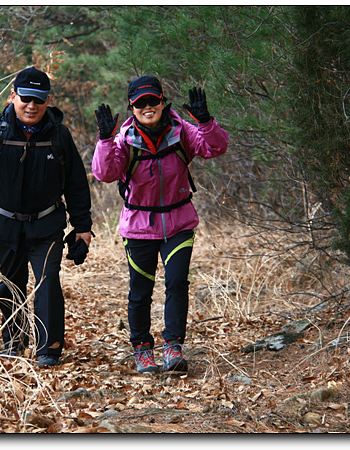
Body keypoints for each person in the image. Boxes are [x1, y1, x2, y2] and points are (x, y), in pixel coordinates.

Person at [0, 67, 93, 367]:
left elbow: (76, 184)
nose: (31, 106)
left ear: (48, 101)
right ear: (13, 97)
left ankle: (48, 349)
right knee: (11, 283)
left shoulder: (59, 136)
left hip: (46, 223)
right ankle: (14, 341)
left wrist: (82, 228)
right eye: (25, 98)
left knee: (47, 282)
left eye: (38, 100)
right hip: (5, 224)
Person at [92, 75, 228, 374]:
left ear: (163, 101)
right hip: (139, 226)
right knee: (141, 290)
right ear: (132, 107)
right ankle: (142, 349)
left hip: (178, 222)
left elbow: (215, 148)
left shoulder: (182, 131)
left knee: (177, 283)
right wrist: (104, 140)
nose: (148, 107)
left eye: (153, 100)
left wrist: (206, 121)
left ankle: (173, 347)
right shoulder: (124, 139)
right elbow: (104, 173)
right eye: (141, 103)